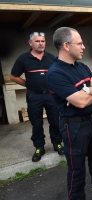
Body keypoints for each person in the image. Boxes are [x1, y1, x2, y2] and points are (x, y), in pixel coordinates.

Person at [47, 27, 92, 200]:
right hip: (73, 126)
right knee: (76, 167)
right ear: (66, 45)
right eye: (79, 43)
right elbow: (80, 102)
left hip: (90, 121)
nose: (83, 47)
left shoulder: (82, 66)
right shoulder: (56, 73)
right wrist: (91, 90)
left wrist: (85, 91)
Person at [10, 32, 63, 162]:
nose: (41, 43)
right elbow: (13, 76)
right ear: (30, 43)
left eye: (43, 41)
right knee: (36, 123)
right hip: (34, 96)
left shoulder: (51, 58)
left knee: (55, 121)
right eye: (37, 41)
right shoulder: (23, 59)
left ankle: (57, 143)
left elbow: (59, 74)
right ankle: (39, 147)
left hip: (51, 95)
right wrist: (28, 84)